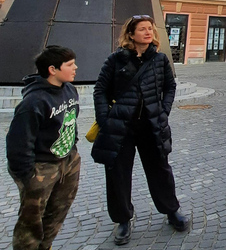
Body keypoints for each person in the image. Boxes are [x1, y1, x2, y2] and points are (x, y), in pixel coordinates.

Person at [91, 15, 189, 246]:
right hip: (121, 126)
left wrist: (164, 110)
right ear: (131, 34)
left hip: (151, 125)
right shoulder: (115, 60)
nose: (148, 33)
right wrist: (105, 119)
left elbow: (169, 86)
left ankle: (171, 210)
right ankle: (123, 219)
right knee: (118, 174)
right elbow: (100, 91)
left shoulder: (160, 59)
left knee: (160, 170)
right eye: (142, 29)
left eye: (150, 29)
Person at [6, 45, 81, 250]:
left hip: (67, 161)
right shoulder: (33, 102)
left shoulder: (69, 89)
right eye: (69, 65)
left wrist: (72, 153)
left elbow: (71, 120)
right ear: (52, 70)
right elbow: (18, 143)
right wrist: (29, 177)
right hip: (41, 167)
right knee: (31, 221)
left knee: (57, 212)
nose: (76, 68)